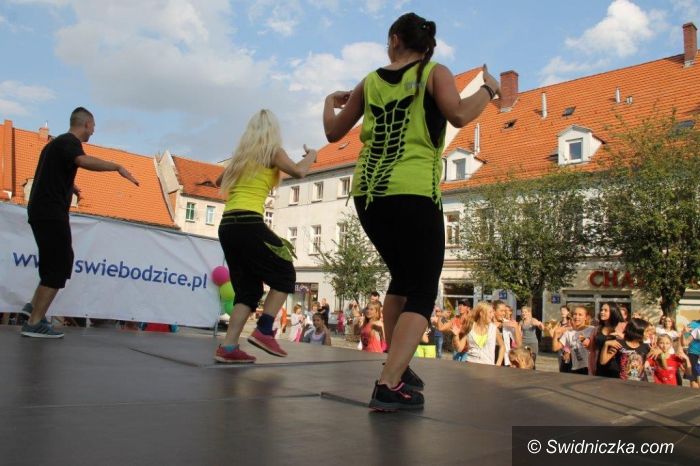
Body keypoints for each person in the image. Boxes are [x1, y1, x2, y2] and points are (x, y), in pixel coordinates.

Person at [323, 11, 499, 410]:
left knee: (402, 280)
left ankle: (397, 366)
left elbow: (333, 132)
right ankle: (388, 383)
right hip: (413, 191)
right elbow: (459, 113)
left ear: (394, 40)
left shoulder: (370, 81)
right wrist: (488, 88)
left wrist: (327, 103)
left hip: (369, 194)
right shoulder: (434, 73)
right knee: (422, 287)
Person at [20, 107, 139, 338]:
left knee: (53, 262)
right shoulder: (69, 143)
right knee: (60, 263)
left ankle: (32, 309)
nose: (93, 131)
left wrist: (70, 186)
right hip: (51, 212)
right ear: (86, 124)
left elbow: (49, 173)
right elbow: (84, 161)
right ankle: (34, 323)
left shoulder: (54, 145)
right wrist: (116, 167)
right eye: (93, 126)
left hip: (41, 210)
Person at [213, 109, 318, 363]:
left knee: (248, 291)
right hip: (249, 222)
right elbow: (299, 171)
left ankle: (228, 347)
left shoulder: (241, 158)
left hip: (227, 226)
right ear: (273, 131)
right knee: (285, 273)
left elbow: (218, 181)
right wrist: (312, 155)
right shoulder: (272, 151)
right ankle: (264, 329)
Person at [452, 301, 504, 365]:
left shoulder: (493, 329)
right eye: (490, 312)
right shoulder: (470, 326)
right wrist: (456, 335)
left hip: (488, 367)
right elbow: (459, 349)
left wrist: (498, 364)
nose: (493, 315)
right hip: (471, 365)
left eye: (493, 312)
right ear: (481, 313)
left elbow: (502, 346)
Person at [552, 306, 594, 375]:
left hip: (590, 367)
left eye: (580, 315)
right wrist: (555, 334)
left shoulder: (592, 330)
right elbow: (555, 348)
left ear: (586, 317)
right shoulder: (569, 333)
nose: (577, 317)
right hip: (576, 368)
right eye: (575, 314)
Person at [494, 300, 522, 367]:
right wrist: (501, 325)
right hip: (489, 359)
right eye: (501, 311)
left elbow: (519, 344)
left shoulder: (508, 323)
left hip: (504, 360)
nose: (504, 313)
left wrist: (516, 327)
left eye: (505, 311)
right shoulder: (488, 323)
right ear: (494, 311)